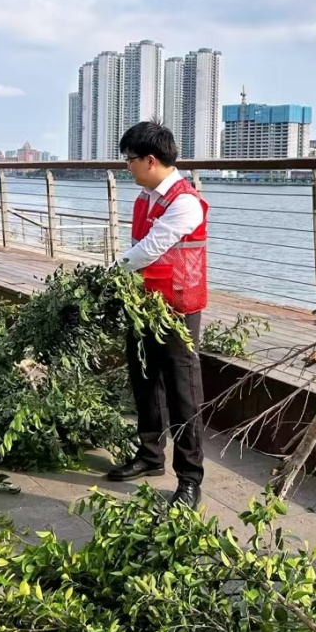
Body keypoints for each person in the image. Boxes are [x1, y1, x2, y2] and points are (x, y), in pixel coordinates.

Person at [106, 121, 209, 509]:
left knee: (184, 392)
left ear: (151, 160)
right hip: (144, 302)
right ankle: (150, 456)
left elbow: (151, 248)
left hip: (178, 307)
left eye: (130, 160)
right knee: (144, 378)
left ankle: (189, 479)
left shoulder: (184, 202)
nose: (127, 167)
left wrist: (106, 277)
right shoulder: (146, 197)